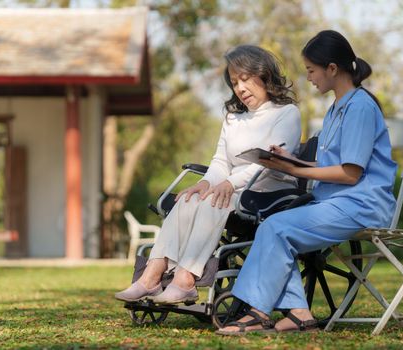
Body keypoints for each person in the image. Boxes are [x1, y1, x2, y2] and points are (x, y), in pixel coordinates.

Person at [217, 30, 397, 335]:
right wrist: (289, 161)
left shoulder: (360, 107)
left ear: (332, 68)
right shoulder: (336, 110)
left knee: (276, 228)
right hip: (337, 203)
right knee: (273, 224)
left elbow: (350, 173)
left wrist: (297, 171)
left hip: (362, 205)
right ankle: (298, 312)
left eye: (311, 71)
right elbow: (328, 166)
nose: (310, 78)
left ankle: (258, 313)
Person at [115, 45, 302, 305]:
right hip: (232, 189)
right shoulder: (233, 118)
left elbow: (271, 162)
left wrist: (229, 183)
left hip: (269, 192)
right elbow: (220, 161)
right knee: (189, 199)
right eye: (235, 82)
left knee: (215, 200)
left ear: (264, 75)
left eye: (245, 79)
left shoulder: (287, 114)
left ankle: (185, 280)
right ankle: (151, 277)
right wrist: (204, 183)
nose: (240, 88)